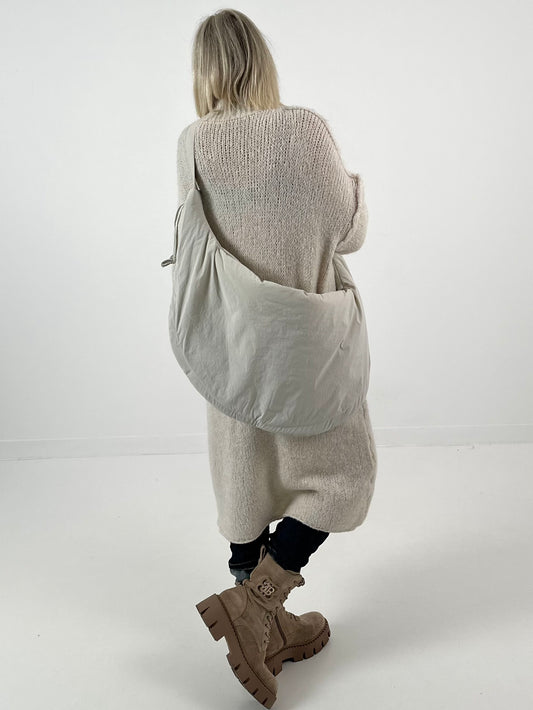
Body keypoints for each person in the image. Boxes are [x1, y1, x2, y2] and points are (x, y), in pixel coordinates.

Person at [177, 9, 378, 707]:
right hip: (303, 344)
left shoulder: (192, 142)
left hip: (230, 345)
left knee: (246, 485)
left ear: (203, 70)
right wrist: (354, 188)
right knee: (345, 478)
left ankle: (263, 622)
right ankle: (258, 607)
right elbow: (347, 231)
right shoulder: (304, 130)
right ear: (261, 60)